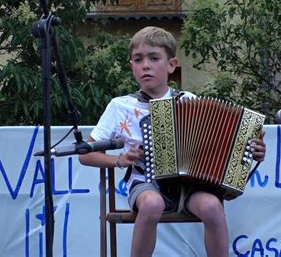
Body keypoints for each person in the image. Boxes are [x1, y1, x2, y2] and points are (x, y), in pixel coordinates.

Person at [79, 26, 266, 257]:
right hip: (146, 184)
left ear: (171, 65)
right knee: (152, 204)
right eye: (138, 59)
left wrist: (252, 151)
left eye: (154, 58)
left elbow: (217, 146)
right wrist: (120, 160)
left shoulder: (189, 101)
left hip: (189, 185)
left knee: (212, 207)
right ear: (132, 67)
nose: (145, 65)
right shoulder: (120, 106)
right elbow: (85, 154)